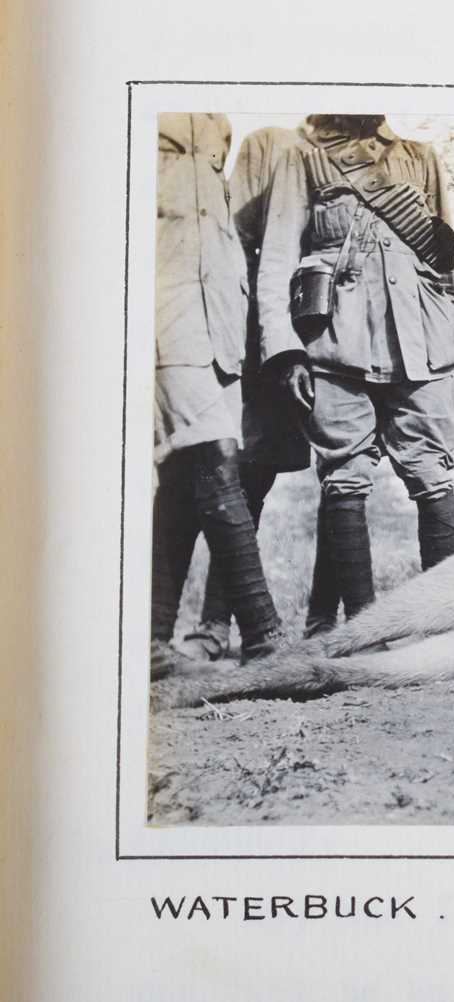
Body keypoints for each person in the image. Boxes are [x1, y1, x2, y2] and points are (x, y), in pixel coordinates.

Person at [254, 114, 454, 622]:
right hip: (334, 345)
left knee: (433, 472)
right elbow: (278, 259)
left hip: (420, 348)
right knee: (345, 476)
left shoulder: (419, 158)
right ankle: (363, 631)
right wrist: (285, 351)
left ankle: (445, 624)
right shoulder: (301, 158)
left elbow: (447, 263)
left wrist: (449, 333)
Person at [176, 125, 341, 660]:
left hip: (330, 341)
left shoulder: (357, 156)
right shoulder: (272, 143)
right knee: (246, 474)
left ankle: (326, 626)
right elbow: (240, 229)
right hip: (259, 335)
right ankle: (215, 626)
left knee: (341, 478)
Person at [152, 113, 284, 669]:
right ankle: (264, 635)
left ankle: (150, 638)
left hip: (221, 319)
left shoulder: (218, 125)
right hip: (166, 304)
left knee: (187, 473)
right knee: (214, 454)